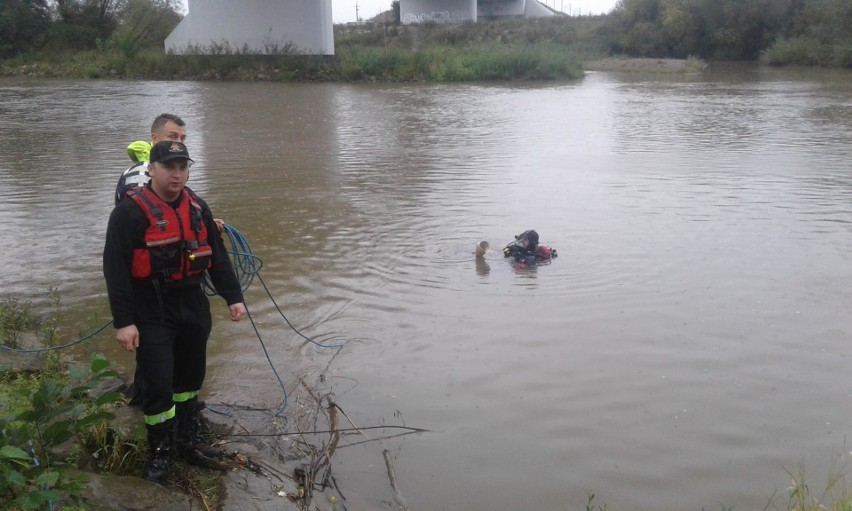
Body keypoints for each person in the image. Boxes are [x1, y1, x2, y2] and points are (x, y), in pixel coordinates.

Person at [103, 141, 246, 484]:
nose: (177, 174)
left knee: (190, 377)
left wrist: (233, 297)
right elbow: (116, 270)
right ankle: (161, 450)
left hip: (192, 302)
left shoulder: (197, 206)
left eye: (183, 167)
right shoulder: (129, 212)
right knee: (159, 382)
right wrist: (124, 322)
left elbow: (217, 256)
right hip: (152, 307)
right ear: (152, 169)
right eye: (169, 167)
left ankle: (188, 439)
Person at [115, 113, 187, 206]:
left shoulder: (176, 167)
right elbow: (139, 210)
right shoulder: (140, 174)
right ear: (155, 138)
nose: (179, 143)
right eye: (172, 137)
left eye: (182, 138)